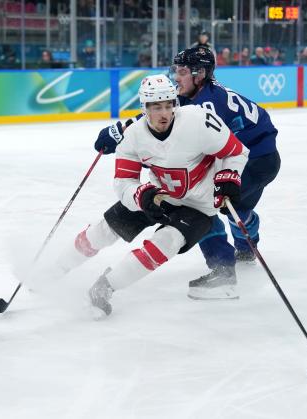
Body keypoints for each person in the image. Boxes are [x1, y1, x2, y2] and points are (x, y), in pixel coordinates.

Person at [50, 74, 247, 317]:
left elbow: (236, 151)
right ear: (144, 108)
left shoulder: (199, 122)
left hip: (199, 206)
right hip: (160, 196)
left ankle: (106, 287)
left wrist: (228, 177)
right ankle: (55, 270)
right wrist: (141, 196)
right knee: (106, 229)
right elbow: (124, 183)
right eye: (156, 107)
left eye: (168, 105)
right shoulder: (132, 137)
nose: (164, 113)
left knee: (166, 242)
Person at [94, 47, 281, 300]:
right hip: (260, 155)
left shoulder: (208, 104)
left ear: (200, 74)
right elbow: (163, 111)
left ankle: (223, 271)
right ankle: (248, 240)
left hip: (255, 158)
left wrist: (123, 133)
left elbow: (180, 119)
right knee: (236, 207)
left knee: (202, 204)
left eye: (181, 72)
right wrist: (120, 131)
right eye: (176, 71)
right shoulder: (199, 95)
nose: (176, 78)